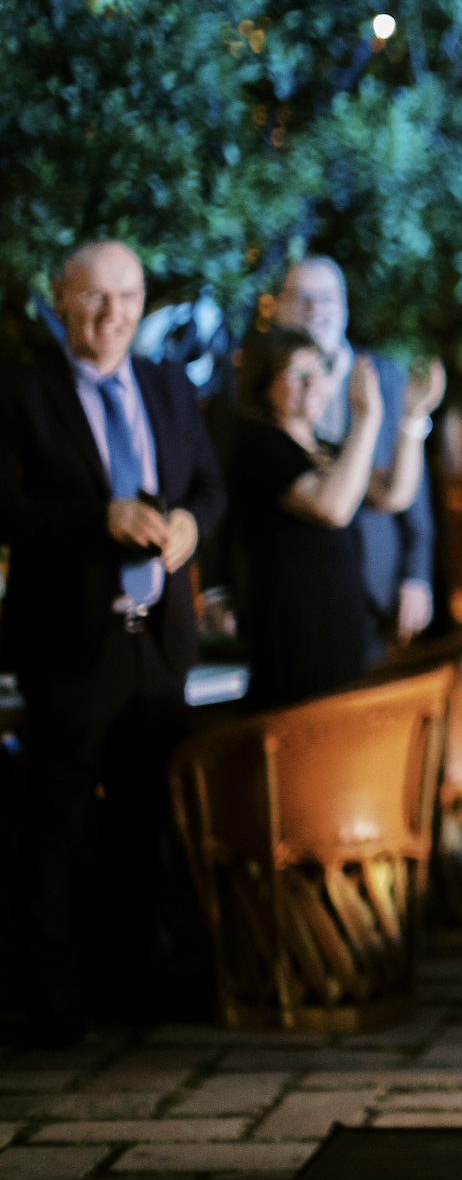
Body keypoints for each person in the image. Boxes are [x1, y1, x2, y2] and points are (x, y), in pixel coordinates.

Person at [0, 241, 226, 1045]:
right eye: (95, 297)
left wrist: (193, 525)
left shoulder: (167, 385)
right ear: (61, 301)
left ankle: (132, 975)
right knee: (58, 822)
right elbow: (10, 509)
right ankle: (53, 996)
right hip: (72, 640)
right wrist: (98, 519)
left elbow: (208, 485)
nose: (113, 313)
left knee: (142, 816)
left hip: (158, 641)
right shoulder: (23, 392)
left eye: (127, 296)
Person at [231, 327, 438, 709]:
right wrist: (367, 417)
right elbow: (333, 507)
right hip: (295, 629)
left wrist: (411, 418)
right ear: (265, 382)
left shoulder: (325, 447)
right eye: (296, 373)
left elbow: (394, 494)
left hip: (342, 623)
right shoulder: (260, 444)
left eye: (320, 370)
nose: (313, 384)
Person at [272, 259, 438, 648]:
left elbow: (403, 494)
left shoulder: (384, 374)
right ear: (279, 307)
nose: (316, 310)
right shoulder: (256, 395)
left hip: (373, 583)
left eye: (328, 299)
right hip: (290, 589)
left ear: (345, 307)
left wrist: (416, 574)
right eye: (303, 298)